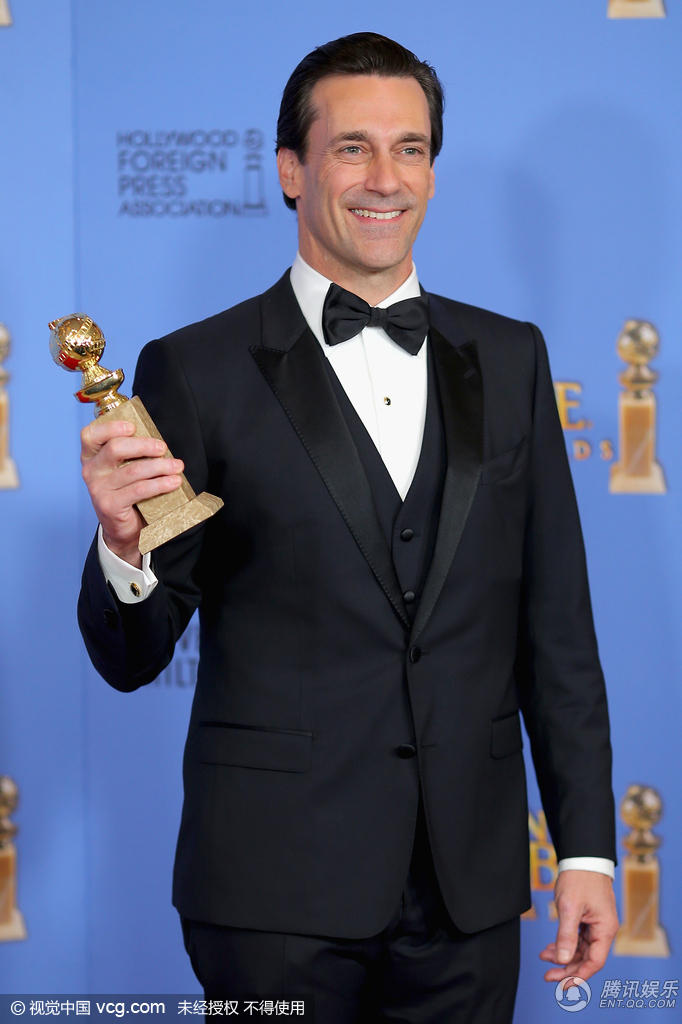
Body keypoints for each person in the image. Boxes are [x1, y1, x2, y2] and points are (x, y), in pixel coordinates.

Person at [77, 32, 618, 1023]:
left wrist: (585, 848)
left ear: (432, 170)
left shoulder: (511, 359)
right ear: (292, 169)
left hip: (468, 892)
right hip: (270, 892)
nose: (385, 178)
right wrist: (122, 548)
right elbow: (132, 655)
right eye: (352, 148)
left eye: (410, 148)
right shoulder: (194, 370)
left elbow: (558, 632)